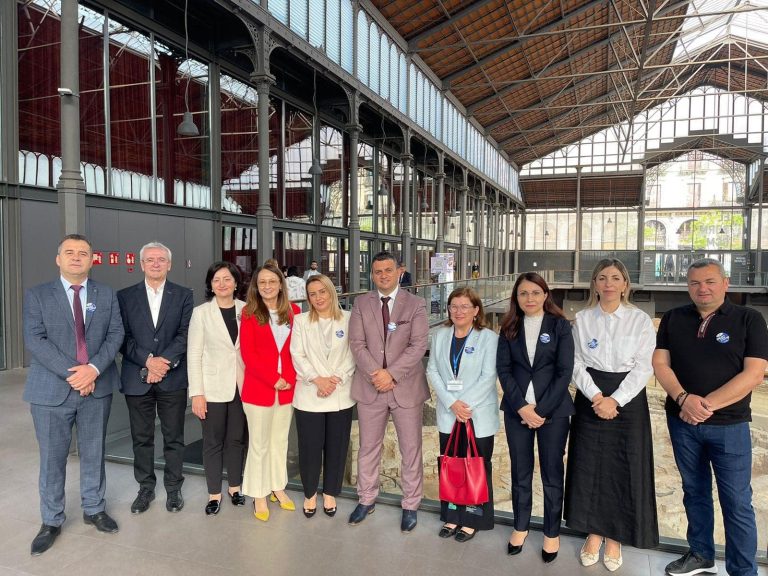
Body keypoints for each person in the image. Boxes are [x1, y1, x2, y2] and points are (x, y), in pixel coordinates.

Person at [653, 258, 768, 576]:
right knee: (694, 491)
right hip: (682, 423)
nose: (702, 288)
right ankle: (701, 555)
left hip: (729, 426)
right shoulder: (673, 318)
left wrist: (703, 406)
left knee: (737, 501)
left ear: (725, 283)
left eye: (710, 281)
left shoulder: (749, 319)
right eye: (694, 283)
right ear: (687, 286)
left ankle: (743, 571)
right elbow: (660, 364)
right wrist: (683, 399)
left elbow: (754, 373)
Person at [23, 234, 124, 555]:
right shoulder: (38, 295)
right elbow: (35, 339)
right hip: (51, 391)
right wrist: (76, 374)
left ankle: (94, 508)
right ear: (58, 259)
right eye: (69, 252)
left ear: (92, 260)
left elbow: (116, 334)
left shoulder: (106, 294)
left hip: (97, 386)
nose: (76, 257)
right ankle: (51, 520)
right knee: (52, 458)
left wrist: (92, 369)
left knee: (94, 452)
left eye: (83, 253)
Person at [564, 258, 658, 572]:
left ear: (625, 284)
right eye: (602, 277)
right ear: (594, 284)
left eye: (615, 278)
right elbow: (576, 363)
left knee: (622, 466)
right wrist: (596, 396)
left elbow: (644, 366)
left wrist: (615, 400)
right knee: (589, 465)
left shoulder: (639, 320)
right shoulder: (582, 320)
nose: (608, 284)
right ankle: (593, 532)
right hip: (591, 396)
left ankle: (615, 536)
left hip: (627, 399)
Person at [347, 251, 429, 532]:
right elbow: (357, 344)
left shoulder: (416, 304)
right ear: (372, 275)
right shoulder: (361, 303)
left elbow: (418, 346)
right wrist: (378, 375)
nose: (383, 275)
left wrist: (391, 374)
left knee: (411, 449)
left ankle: (411, 504)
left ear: (399, 272)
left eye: (388, 270)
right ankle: (366, 498)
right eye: (378, 271)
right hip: (370, 387)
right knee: (368, 447)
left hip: (405, 388)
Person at [496, 272, 574, 563]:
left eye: (535, 292)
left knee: (552, 473)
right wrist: (521, 407)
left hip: (553, 411)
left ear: (545, 295)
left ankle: (552, 532)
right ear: (516, 297)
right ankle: (520, 526)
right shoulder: (508, 327)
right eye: (523, 293)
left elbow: (564, 371)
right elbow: (504, 370)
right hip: (517, 410)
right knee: (520, 471)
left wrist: (540, 411)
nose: (529, 298)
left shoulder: (560, 325)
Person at [117, 242, 193, 515]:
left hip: (173, 378)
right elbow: (121, 336)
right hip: (137, 377)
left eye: (161, 259)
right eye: (150, 259)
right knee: (142, 438)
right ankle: (145, 488)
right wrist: (148, 361)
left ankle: (173, 488)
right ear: (142, 264)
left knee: (174, 437)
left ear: (169, 264)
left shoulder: (183, 295)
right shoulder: (125, 296)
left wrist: (163, 363)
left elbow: (185, 333)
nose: (156, 263)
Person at [426, 287, 498, 543]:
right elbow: (432, 370)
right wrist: (452, 403)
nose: (458, 311)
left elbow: (489, 376)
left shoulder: (488, 338)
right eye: (454, 306)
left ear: (476, 310)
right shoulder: (440, 335)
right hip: (450, 414)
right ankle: (453, 515)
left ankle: (473, 519)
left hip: (476, 415)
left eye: (465, 306)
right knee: (453, 467)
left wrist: (464, 406)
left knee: (476, 467)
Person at [290, 274, 356, 518]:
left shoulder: (349, 318)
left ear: (331, 292)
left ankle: (330, 492)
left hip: (340, 393)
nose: (318, 297)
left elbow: (353, 352)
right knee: (310, 447)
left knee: (336, 447)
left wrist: (334, 379)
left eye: (322, 292)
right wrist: (317, 379)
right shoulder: (301, 320)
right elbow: (297, 354)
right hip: (310, 393)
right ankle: (310, 493)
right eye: (312, 294)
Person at [240, 263, 301, 521]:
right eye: (262, 282)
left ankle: (277, 487)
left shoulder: (295, 312)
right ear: (256, 286)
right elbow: (248, 354)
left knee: (280, 442)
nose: (267, 286)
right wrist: (273, 379)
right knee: (259, 444)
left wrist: (289, 379)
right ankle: (259, 494)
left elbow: (298, 350)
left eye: (272, 281)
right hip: (259, 389)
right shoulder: (249, 313)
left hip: (287, 389)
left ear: (280, 285)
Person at [187, 261, 248, 515]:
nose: (222, 284)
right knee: (212, 442)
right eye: (216, 280)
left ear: (236, 283)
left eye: (227, 279)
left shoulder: (247, 310)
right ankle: (214, 493)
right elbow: (194, 354)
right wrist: (197, 393)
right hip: (211, 388)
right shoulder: (201, 313)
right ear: (210, 285)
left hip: (242, 387)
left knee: (236, 440)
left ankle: (235, 487)